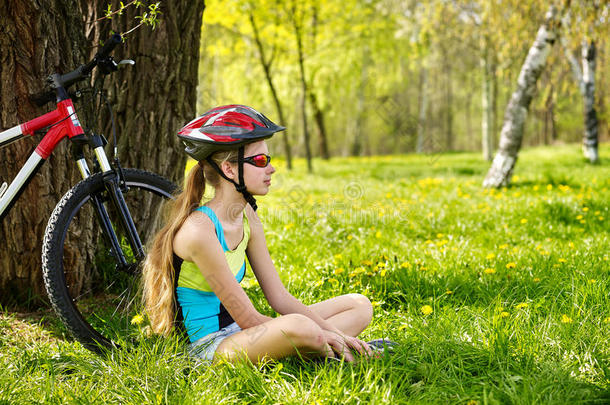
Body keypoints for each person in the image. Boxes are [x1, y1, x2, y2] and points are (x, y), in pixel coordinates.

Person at [142, 104, 377, 364]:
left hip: (243, 334)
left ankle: (322, 348)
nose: (271, 169)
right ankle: (330, 350)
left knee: (359, 305)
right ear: (229, 170)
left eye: (269, 160)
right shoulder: (200, 231)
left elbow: (279, 297)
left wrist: (332, 333)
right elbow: (248, 318)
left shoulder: (248, 219)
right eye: (260, 161)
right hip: (210, 349)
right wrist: (322, 332)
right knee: (301, 326)